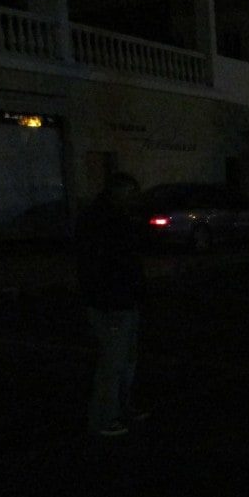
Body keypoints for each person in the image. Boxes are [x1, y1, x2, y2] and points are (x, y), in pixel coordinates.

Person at [75, 171, 149, 437]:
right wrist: (107, 299)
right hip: (112, 303)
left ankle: (121, 408)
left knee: (127, 360)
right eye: (131, 194)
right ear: (118, 193)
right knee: (112, 363)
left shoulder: (119, 218)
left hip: (125, 300)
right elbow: (96, 265)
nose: (135, 199)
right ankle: (103, 418)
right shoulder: (102, 222)